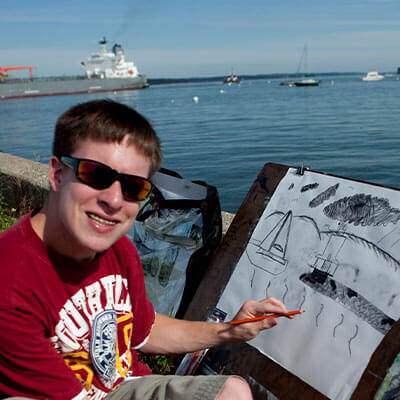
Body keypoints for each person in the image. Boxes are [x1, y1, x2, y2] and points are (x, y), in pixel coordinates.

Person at [0, 99, 290, 400]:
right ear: (58, 174)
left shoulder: (117, 249)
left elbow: (145, 329)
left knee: (232, 391)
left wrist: (231, 330)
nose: (114, 201)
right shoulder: (10, 284)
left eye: (133, 187)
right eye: (96, 175)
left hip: (121, 386)